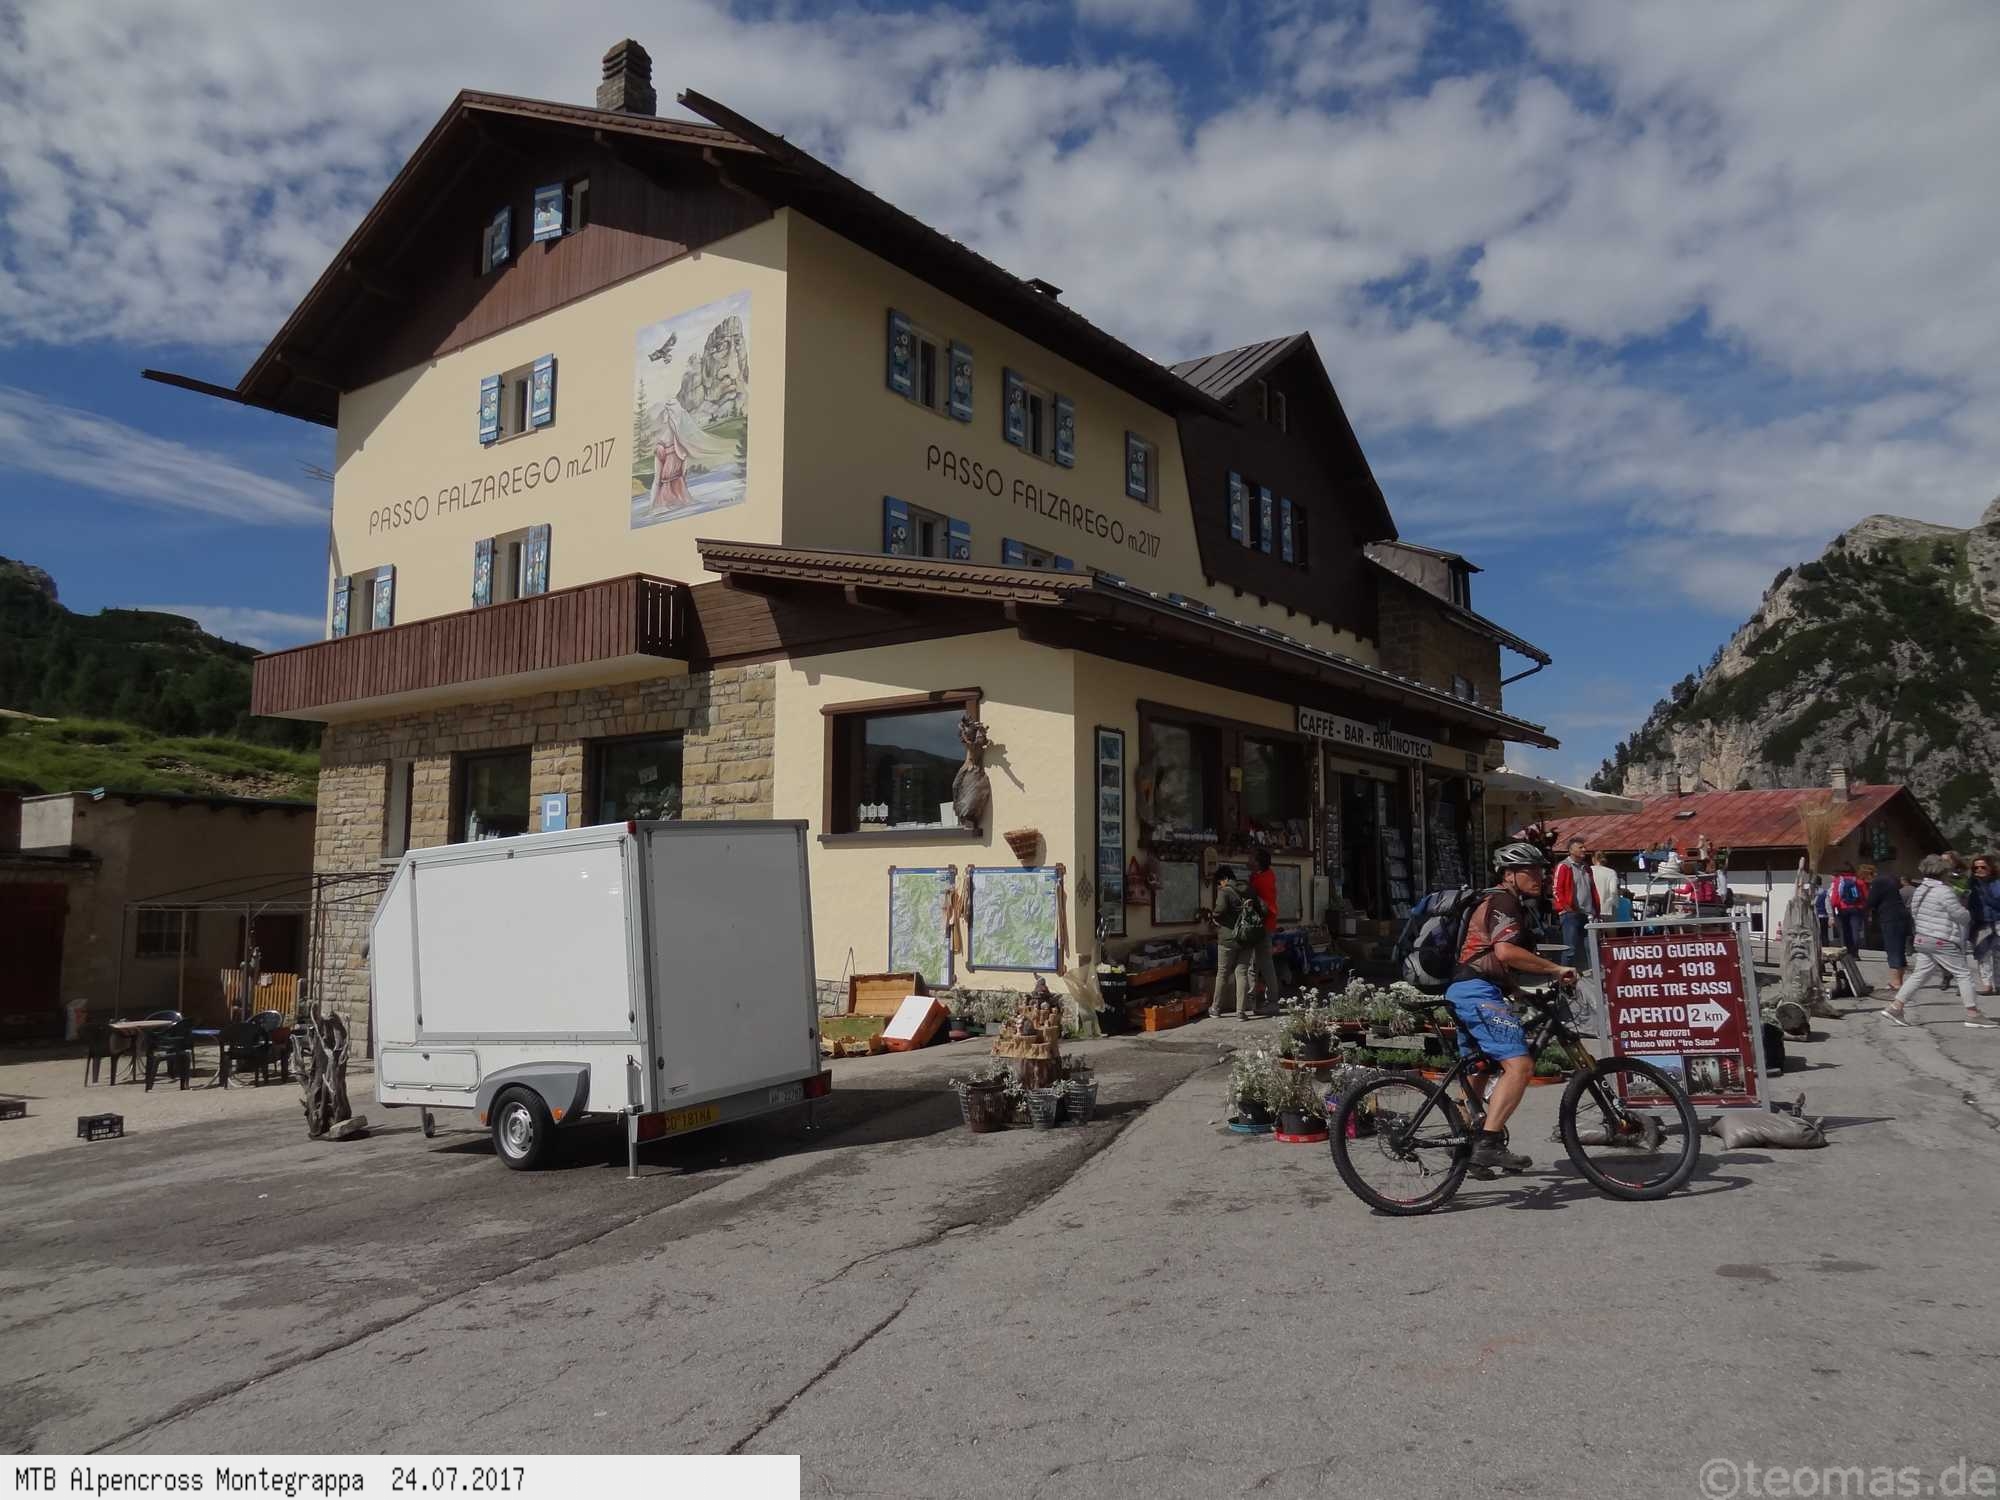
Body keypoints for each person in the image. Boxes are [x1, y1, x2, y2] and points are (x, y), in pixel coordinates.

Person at [1444, 842, 1579, 1171]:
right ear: (1509, 874)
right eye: (1530, 870)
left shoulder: (1495, 900)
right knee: (1520, 1067)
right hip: (1477, 992)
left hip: (1467, 988)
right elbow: (1505, 952)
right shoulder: (1504, 901)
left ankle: (1465, 1145)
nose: (1539, 876)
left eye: (1541, 870)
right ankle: (1489, 1143)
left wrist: (1515, 990)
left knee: (1480, 1069)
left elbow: (1487, 955)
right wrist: (1555, 969)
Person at [1881, 855, 1996, 1028]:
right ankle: (1973, 1014)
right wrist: (1967, 911)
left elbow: (1914, 912)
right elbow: (1961, 916)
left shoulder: (1921, 889)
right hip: (1941, 939)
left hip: (1923, 937)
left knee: (1920, 974)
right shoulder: (1944, 891)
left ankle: (1896, 1007)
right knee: (1963, 974)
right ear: (1943, 872)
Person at [1206, 866, 1258, 1021]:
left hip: (1228, 938)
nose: (1219, 886)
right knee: (1241, 973)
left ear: (1224, 879)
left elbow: (1219, 910)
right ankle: (1241, 1012)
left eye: (1219, 883)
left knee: (1222, 973)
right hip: (1247, 937)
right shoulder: (1248, 889)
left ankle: (1216, 1008)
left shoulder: (1225, 891)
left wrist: (1214, 917)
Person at [1551, 837, 1598, 972]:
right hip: (1570, 914)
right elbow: (1556, 890)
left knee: (1592, 948)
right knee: (1569, 949)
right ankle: (1565, 977)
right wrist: (1567, 908)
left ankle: (1595, 976)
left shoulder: (1587, 868)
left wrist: (1596, 911)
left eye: (1584, 847)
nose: (1584, 850)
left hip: (1588, 914)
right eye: (1580, 847)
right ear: (1571, 850)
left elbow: (1592, 890)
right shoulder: (1564, 866)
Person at [1247, 847, 1282, 1013]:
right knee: (1255, 964)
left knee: (1264, 964)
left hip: (1261, 926)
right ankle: (1254, 1001)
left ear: (1257, 862)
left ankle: (1272, 1002)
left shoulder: (1261, 881)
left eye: (1251, 858)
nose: (1248, 860)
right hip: (1264, 926)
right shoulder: (1267, 875)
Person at [1865, 863, 1909, 990]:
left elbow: (1871, 901)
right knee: (1899, 949)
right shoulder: (1889, 879)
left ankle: (1895, 983)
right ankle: (1899, 980)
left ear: (1868, 875)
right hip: (1901, 915)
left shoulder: (1878, 882)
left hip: (1889, 917)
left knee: (1892, 949)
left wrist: (1863, 908)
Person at [1969, 853, 2000, 997]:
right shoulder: (1971, 884)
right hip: (1980, 923)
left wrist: (1984, 889)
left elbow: (1997, 903)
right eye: (1976, 868)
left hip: (1997, 921)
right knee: (1983, 954)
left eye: (1983, 867)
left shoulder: (1996, 883)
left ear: (1990, 868)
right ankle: (1987, 985)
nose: (1979, 870)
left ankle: (1998, 984)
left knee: (1998, 955)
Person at [1828, 864, 1868, 956]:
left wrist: (1833, 908)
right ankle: (1855, 953)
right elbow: (1866, 897)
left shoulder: (1838, 881)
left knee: (1845, 930)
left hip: (1842, 908)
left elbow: (1835, 897)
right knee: (1855, 930)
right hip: (1857, 908)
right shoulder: (1859, 881)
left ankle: (1847, 951)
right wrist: (1863, 907)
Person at [1590, 851, 1620, 921]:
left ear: (1593, 859)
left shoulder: (1588, 870)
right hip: (1608, 908)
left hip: (1592, 908)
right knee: (1609, 927)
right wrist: (1616, 905)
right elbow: (1613, 890)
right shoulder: (1611, 872)